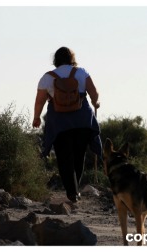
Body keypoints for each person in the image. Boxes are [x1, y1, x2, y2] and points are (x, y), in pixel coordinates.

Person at [32, 46, 102, 203]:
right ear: (71, 58)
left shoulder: (47, 77)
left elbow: (40, 101)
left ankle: (72, 192)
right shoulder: (81, 72)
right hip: (82, 120)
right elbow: (94, 92)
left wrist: (36, 117)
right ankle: (75, 189)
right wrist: (95, 102)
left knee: (64, 158)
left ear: (55, 60)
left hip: (59, 123)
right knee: (79, 155)